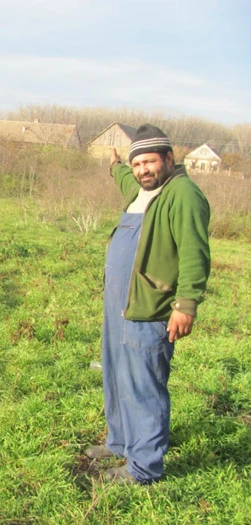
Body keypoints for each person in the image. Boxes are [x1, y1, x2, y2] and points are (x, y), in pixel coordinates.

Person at [85, 124, 211, 484]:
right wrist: (115, 166)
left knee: (143, 385)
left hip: (150, 306)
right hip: (118, 306)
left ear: (169, 159)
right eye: (137, 163)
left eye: (150, 161)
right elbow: (127, 179)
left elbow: (194, 252)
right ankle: (122, 442)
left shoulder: (182, 194)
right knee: (116, 375)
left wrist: (185, 305)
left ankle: (144, 468)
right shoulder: (141, 189)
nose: (143, 170)